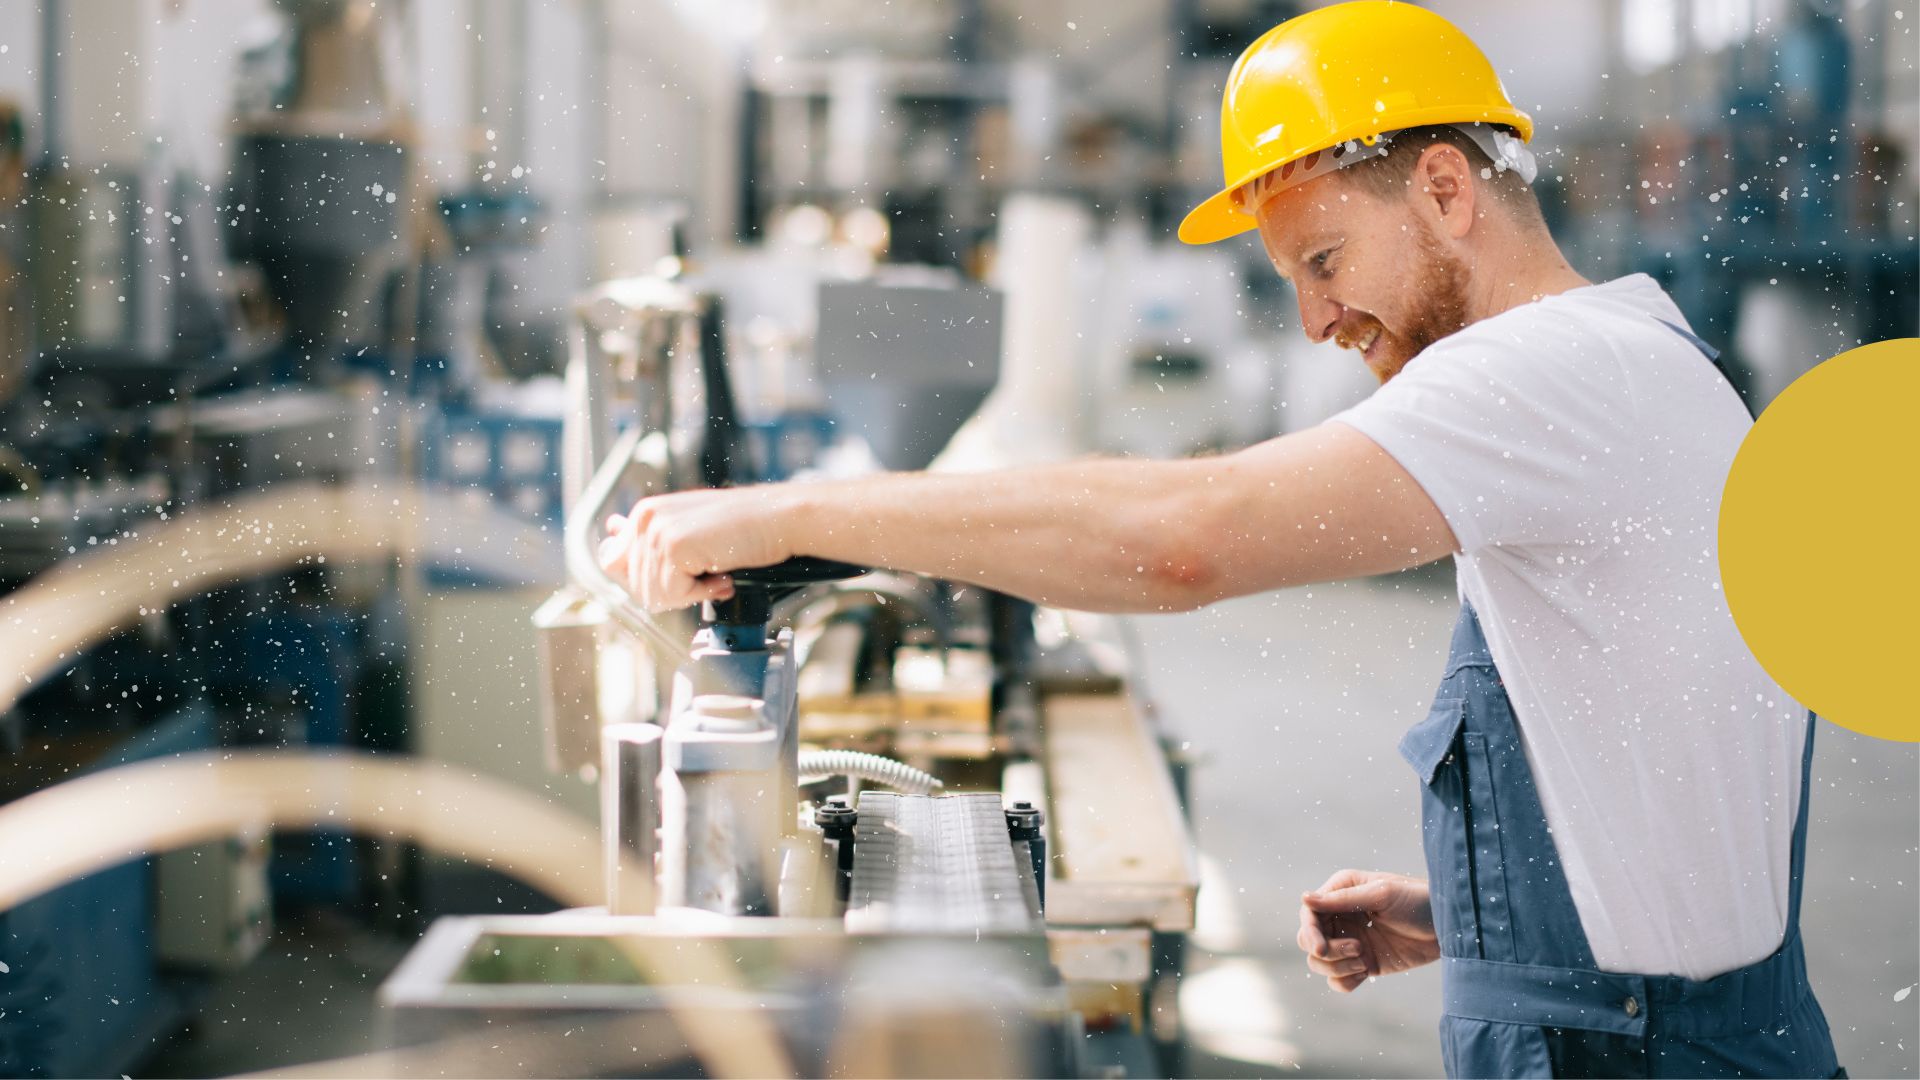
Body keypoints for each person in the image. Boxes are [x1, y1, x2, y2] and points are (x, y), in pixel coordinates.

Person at [600, 3, 1842, 1075]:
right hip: (1676, 1028)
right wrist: (1481, 918)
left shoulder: (1545, 371)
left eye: (1325, 258)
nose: (1313, 321)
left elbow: (1186, 541)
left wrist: (793, 512)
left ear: (1445, 189)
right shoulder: (1642, 353)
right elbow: (1687, 783)